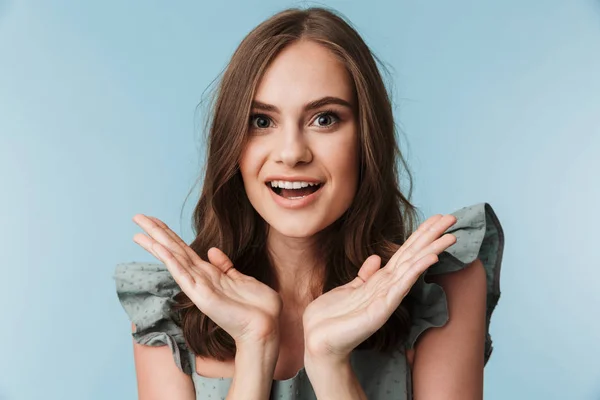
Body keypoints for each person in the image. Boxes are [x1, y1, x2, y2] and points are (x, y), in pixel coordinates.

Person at [114, 6, 505, 400]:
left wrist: (330, 363)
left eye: (324, 119)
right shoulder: (171, 310)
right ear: (232, 144)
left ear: (367, 138)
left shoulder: (439, 286)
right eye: (262, 121)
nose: (291, 153)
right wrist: (255, 346)